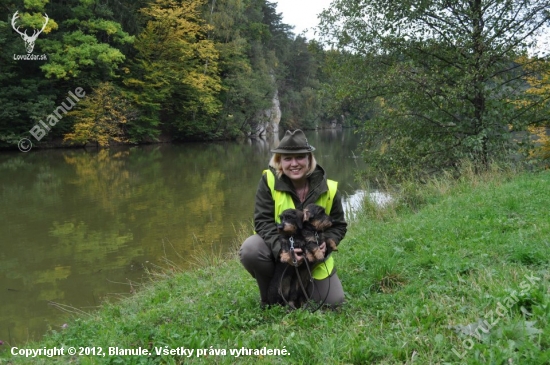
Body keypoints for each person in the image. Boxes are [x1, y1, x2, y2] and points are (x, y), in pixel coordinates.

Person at [239, 129, 347, 308]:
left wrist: (327, 243)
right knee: (250, 249)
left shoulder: (329, 187)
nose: (294, 164)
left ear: (309, 159)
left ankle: (302, 286)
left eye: (300, 157)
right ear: (279, 161)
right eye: (287, 158)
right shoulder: (269, 181)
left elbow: (339, 225)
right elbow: (262, 222)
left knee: (335, 301)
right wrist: (283, 251)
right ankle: (271, 294)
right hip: (279, 253)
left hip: (313, 260)